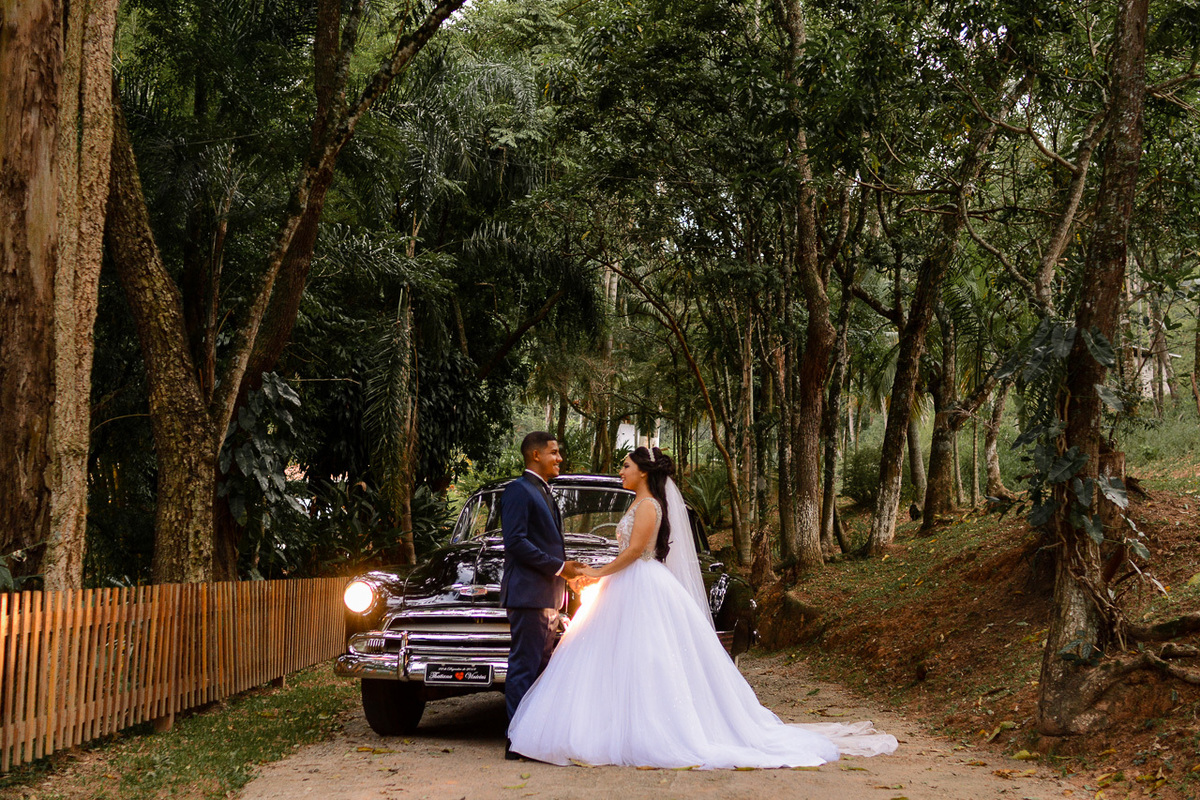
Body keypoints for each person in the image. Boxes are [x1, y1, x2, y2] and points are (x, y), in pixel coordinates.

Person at [507, 445, 898, 769]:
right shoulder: (639, 503)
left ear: (643, 472)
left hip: (639, 585)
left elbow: (635, 553)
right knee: (616, 657)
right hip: (628, 586)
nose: (621, 471)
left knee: (647, 658)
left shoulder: (648, 508)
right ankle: (612, 726)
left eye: (625, 466)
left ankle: (649, 730)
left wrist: (598, 573)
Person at [500, 431, 586, 760]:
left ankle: (533, 735)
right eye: (554, 453)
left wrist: (567, 578)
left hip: (548, 596)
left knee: (540, 667)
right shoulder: (518, 491)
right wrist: (561, 567)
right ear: (536, 455)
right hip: (528, 595)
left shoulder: (544, 491)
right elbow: (517, 543)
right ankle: (516, 741)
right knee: (524, 666)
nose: (559, 458)